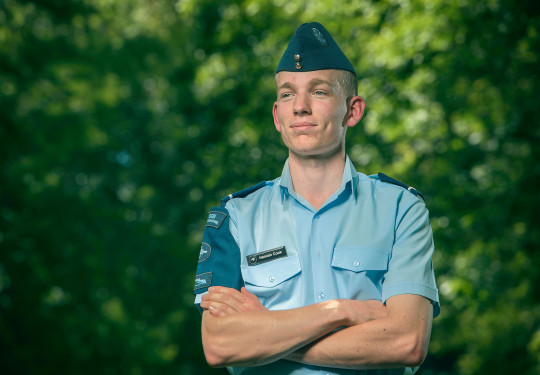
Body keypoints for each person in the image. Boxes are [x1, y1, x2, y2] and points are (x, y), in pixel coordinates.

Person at [193, 22, 440, 375]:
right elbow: (219, 346)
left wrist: (265, 335)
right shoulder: (234, 217)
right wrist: (341, 311)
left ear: (352, 111)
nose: (300, 107)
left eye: (319, 91)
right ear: (277, 116)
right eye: (288, 94)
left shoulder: (401, 209)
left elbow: (406, 342)